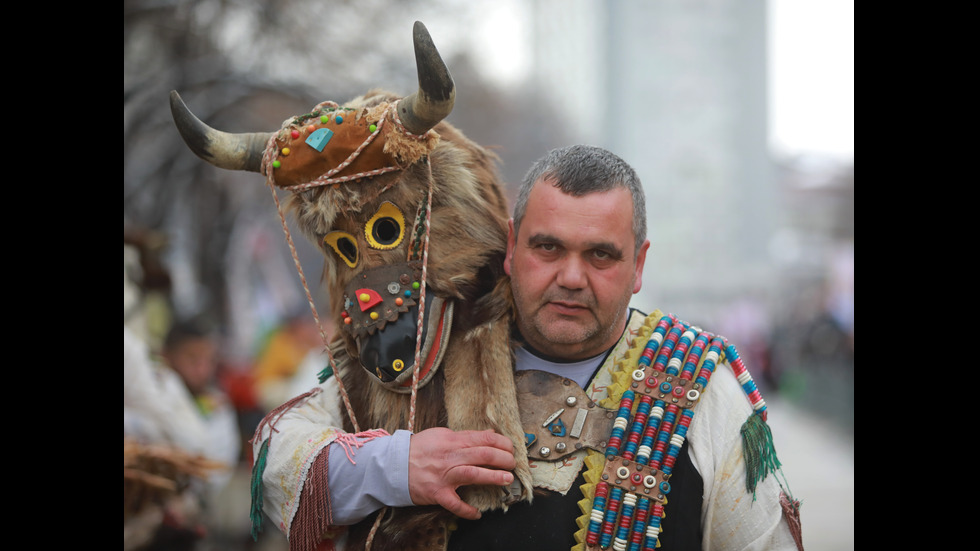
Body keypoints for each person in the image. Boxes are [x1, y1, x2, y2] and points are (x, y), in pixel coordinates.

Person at [249, 145, 803, 550]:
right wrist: (395, 464)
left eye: (601, 256)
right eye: (548, 247)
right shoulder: (426, 348)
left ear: (638, 265)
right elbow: (272, 465)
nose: (570, 276)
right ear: (513, 247)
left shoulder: (699, 383)